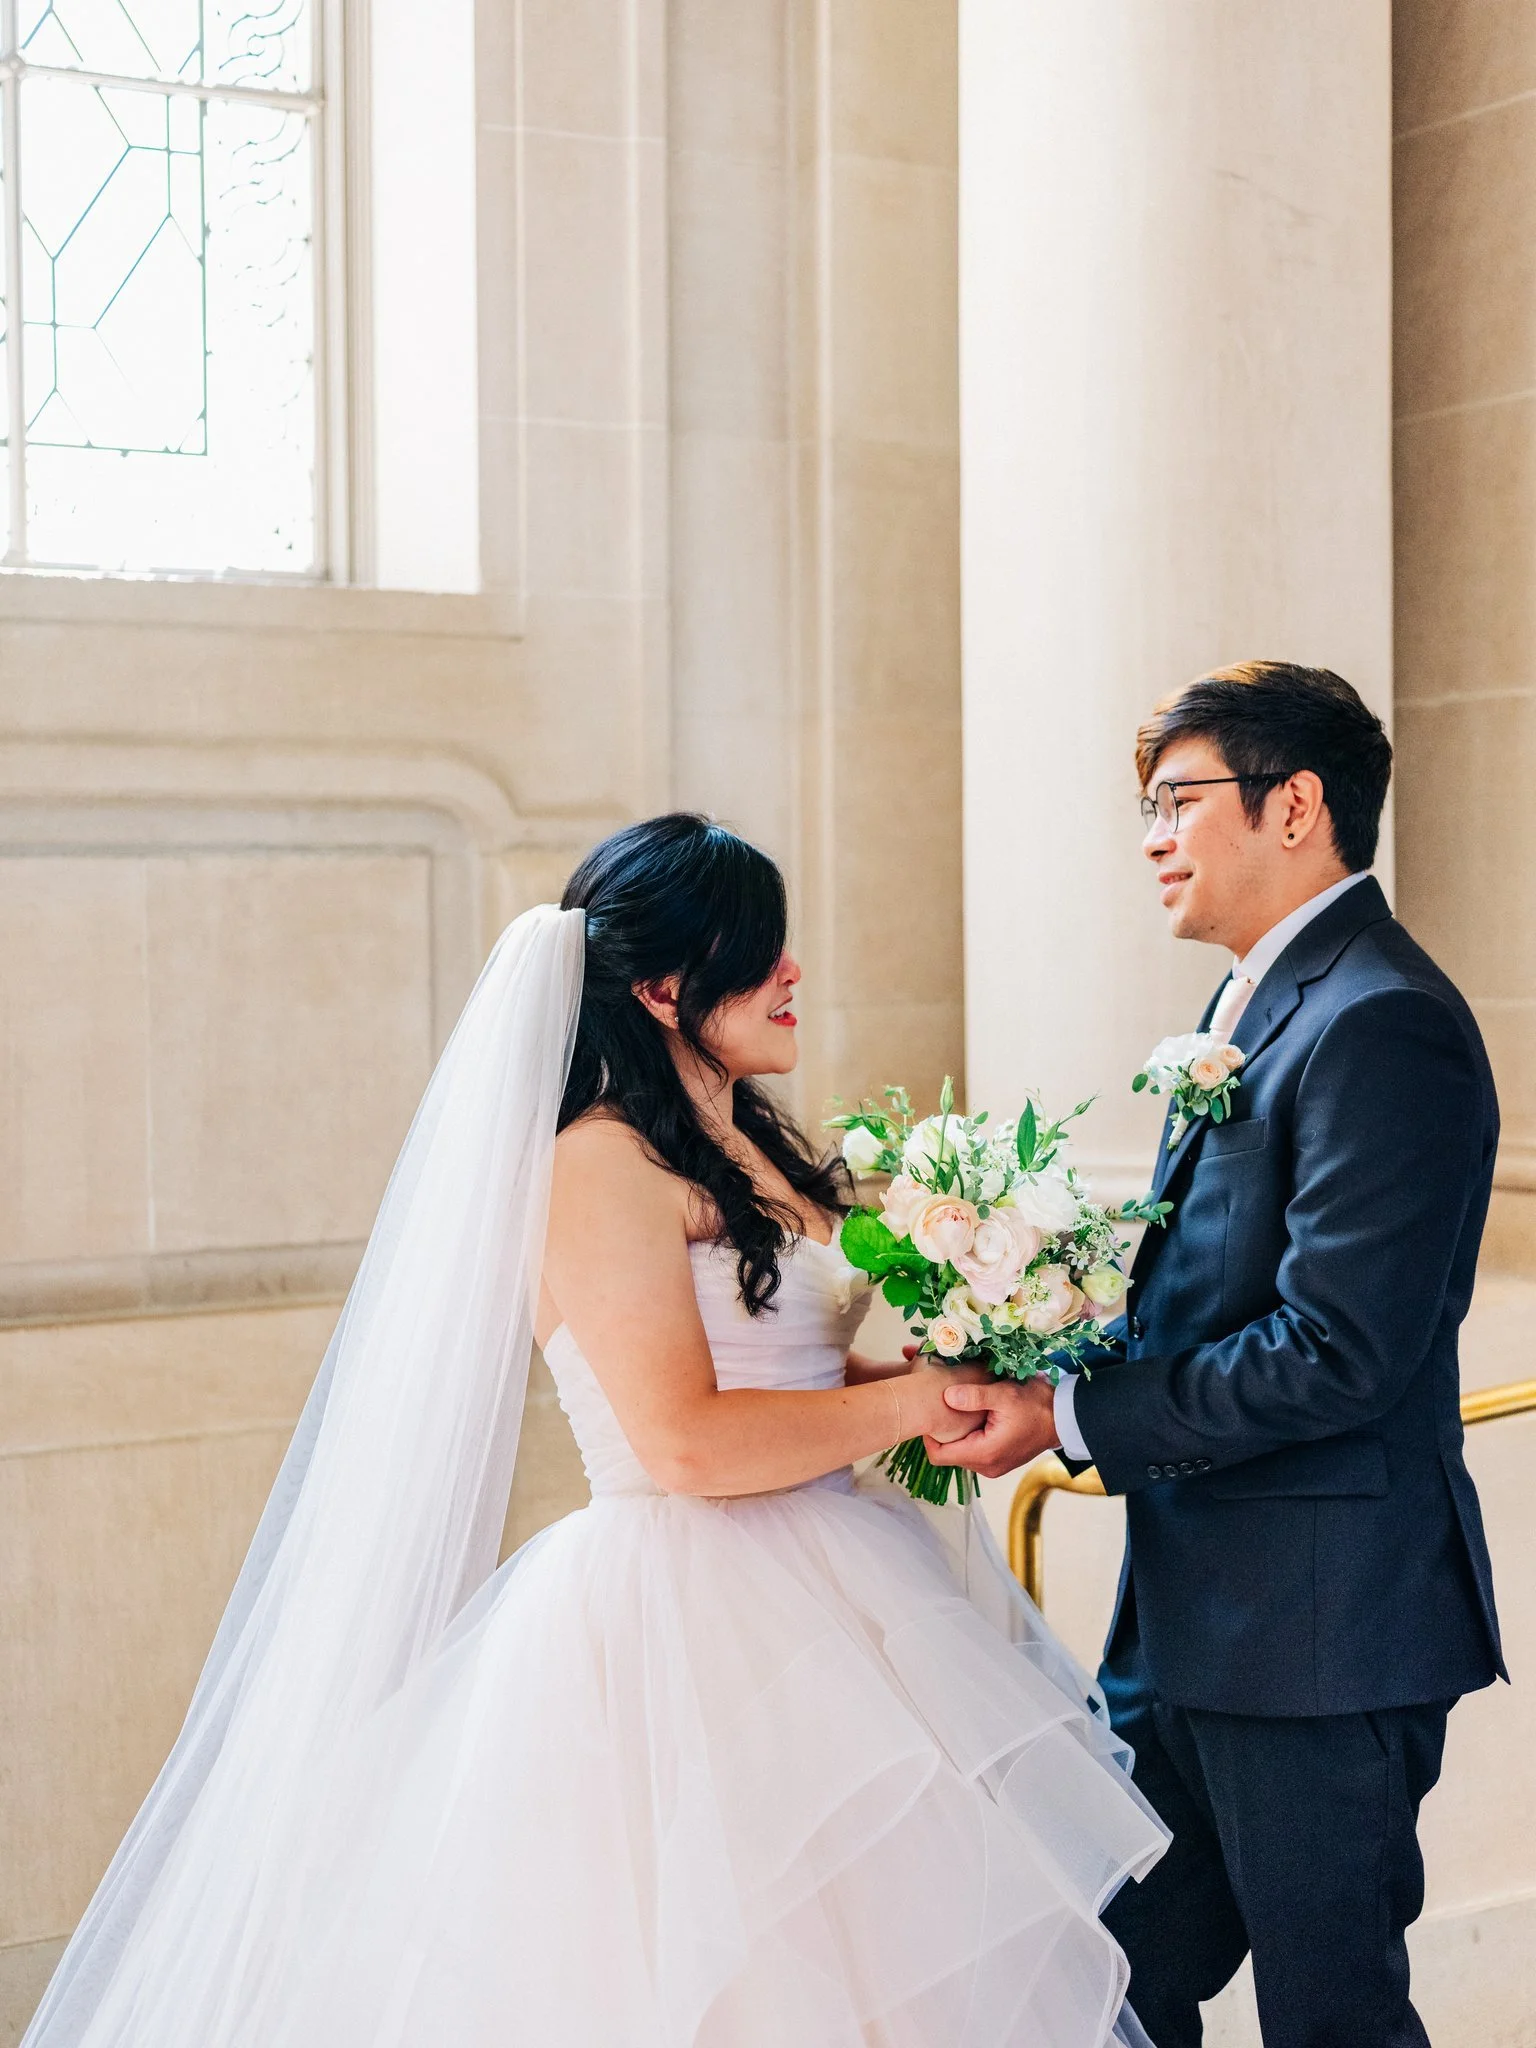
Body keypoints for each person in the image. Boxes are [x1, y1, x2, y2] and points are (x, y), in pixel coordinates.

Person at [24, 814, 1168, 2048]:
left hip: (841, 1573)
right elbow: (681, 1439)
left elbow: (784, 1362)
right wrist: (903, 1405)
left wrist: (910, 1366)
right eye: (762, 952)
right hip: (686, 1615)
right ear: (665, 987)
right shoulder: (595, 1162)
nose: (795, 974)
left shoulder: (748, 1136)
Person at [930, 663, 1504, 2048]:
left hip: (1321, 1637)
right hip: (1192, 1622)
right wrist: (1025, 1342)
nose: (1151, 838)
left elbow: (1336, 1352)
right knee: (1105, 1974)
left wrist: (1075, 1414)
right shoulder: (1251, 1007)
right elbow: (1212, 1287)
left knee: (1330, 2015)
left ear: (1296, 805)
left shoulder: (1383, 1020)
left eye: (1178, 801)